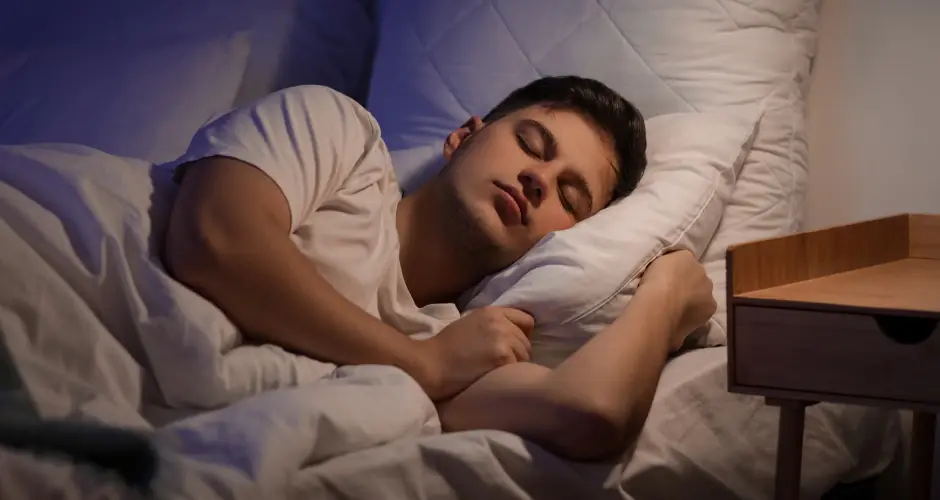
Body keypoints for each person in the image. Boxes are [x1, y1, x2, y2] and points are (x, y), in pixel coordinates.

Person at [162, 76, 716, 461]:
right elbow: (215, 237)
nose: (538, 179)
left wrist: (664, 294)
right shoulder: (339, 137)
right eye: (530, 144)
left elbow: (587, 416)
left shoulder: (458, 341)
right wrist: (421, 364)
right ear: (463, 137)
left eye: (569, 196)